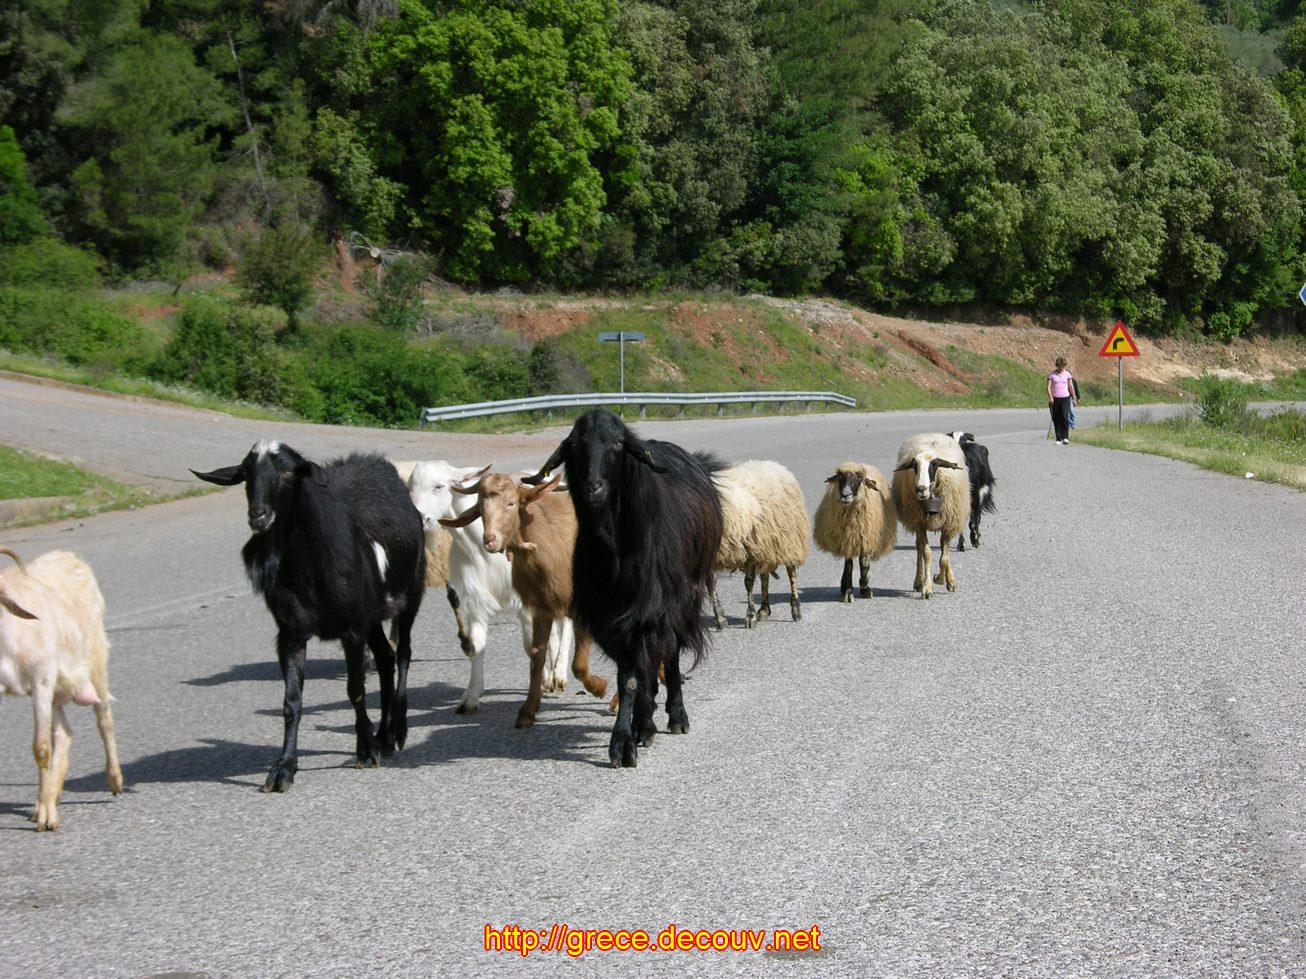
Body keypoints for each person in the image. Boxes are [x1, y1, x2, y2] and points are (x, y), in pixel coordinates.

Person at [1047, 356, 1077, 444]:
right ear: (1056, 365)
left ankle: (1065, 437)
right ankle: (1058, 438)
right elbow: (1048, 387)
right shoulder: (1052, 375)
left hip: (1065, 398)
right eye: (1059, 366)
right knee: (1056, 418)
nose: (1061, 368)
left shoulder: (1067, 374)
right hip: (1055, 399)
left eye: (1062, 366)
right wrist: (1050, 397)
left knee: (1064, 416)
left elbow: (1071, 387)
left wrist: (1074, 399)